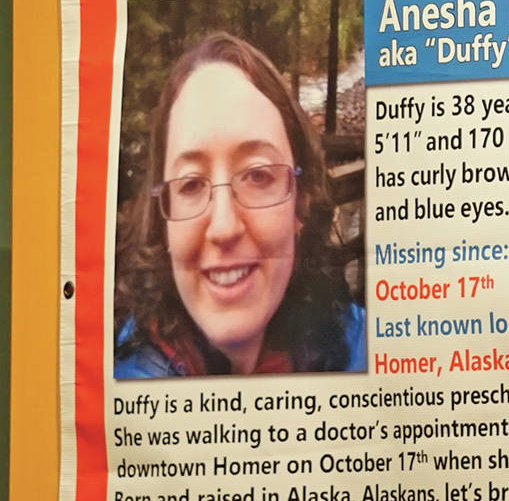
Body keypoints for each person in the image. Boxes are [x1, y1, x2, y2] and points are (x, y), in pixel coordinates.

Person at [114, 31, 365, 377]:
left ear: (301, 203)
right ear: (163, 220)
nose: (223, 226)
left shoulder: (359, 347)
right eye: (190, 184)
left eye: (258, 175)